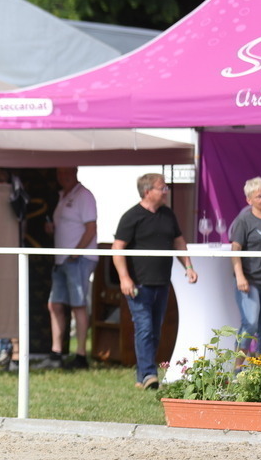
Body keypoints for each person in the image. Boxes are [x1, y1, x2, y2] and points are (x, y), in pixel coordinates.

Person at [112, 173, 197, 390]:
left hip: (162, 282)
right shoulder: (131, 217)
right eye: (162, 188)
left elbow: (179, 241)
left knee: (155, 330)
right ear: (148, 191)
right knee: (144, 328)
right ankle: (150, 374)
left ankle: (142, 378)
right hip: (139, 284)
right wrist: (124, 278)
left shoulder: (168, 215)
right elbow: (117, 249)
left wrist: (188, 266)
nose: (166, 191)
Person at [42, 167, 98, 370]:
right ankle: (56, 353)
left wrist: (76, 252)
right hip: (61, 259)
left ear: (75, 173)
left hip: (78, 259)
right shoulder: (63, 196)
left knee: (78, 305)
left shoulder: (84, 195)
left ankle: (81, 355)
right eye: (59, 174)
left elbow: (92, 228)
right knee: (55, 305)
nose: (62, 177)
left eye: (66, 173)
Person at [229, 177, 261, 359]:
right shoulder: (244, 220)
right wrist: (240, 277)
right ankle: (237, 370)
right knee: (250, 324)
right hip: (250, 281)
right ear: (249, 200)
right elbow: (235, 249)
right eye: (259, 196)